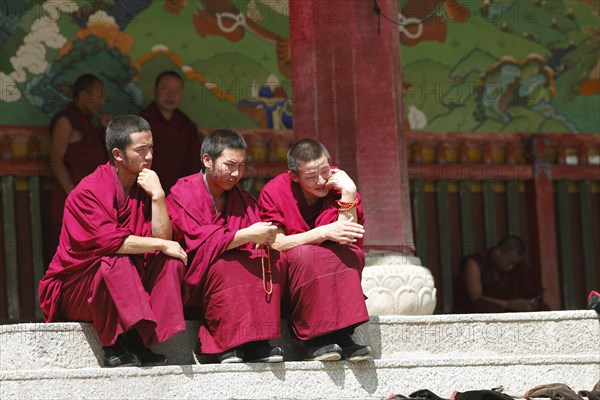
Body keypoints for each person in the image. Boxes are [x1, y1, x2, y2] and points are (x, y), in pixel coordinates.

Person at [39, 115, 189, 367]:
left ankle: (140, 339)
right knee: (115, 261)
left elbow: (165, 238)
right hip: (77, 289)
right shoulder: (88, 192)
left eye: (151, 148)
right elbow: (112, 243)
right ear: (118, 154)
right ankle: (114, 343)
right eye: (141, 150)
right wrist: (162, 244)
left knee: (169, 262)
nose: (149, 156)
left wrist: (159, 196)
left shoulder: (146, 188)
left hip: (122, 280)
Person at [166, 129, 284, 364]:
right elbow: (196, 245)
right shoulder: (183, 194)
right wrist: (242, 236)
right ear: (207, 160)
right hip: (196, 280)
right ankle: (224, 345)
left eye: (241, 166)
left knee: (270, 260)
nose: (236, 173)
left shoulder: (244, 201)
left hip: (232, 277)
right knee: (224, 265)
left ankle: (257, 342)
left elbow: (253, 242)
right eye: (229, 165)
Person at [258, 138, 372, 362]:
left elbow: (348, 236)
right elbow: (278, 243)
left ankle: (343, 334)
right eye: (310, 176)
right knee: (305, 255)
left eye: (324, 170)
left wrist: (349, 191)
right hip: (294, 278)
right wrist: (324, 233)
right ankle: (314, 340)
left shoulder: (340, 184)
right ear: (294, 176)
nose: (321, 181)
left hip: (331, 268)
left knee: (349, 254)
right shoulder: (275, 191)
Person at [48, 74, 111, 252]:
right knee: (68, 257)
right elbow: (55, 160)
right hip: (70, 201)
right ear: (84, 96)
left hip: (91, 203)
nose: (102, 102)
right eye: (99, 97)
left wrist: (107, 129)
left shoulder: (88, 124)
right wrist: (73, 196)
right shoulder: (66, 120)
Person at [139, 70, 202, 195]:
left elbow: (194, 165)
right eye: (165, 88)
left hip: (179, 194)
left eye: (176, 90)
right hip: (146, 192)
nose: (171, 95)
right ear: (155, 90)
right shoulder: (141, 123)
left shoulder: (187, 126)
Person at [452, 235, 548, 313]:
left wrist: (528, 303)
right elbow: (476, 299)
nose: (511, 268)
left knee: (542, 308)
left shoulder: (518, 267)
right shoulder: (475, 263)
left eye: (514, 265)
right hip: (479, 309)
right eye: (509, 263)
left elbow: (529, 293)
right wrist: (510, 304)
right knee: (483, 308)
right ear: (497, 252)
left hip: (507, 308)